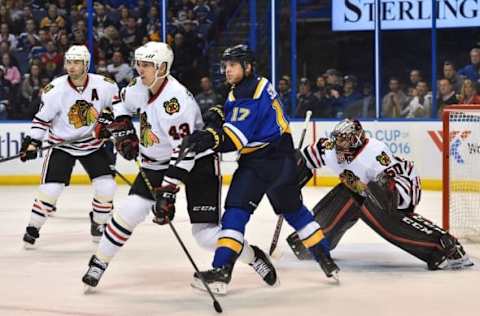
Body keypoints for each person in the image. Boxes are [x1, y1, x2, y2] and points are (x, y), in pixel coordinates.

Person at [81, 42, 277, 291]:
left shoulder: (175, 103)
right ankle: (99, 262)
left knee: (205, 236)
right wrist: (121, 125)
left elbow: (183, 153)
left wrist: (167, 192)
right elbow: (120, 100)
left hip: (197, 161)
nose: (141, 69)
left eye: (147, 65)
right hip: (156, 163)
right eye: (139, 64)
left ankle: (253, 256)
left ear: (162, 68)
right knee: (129, 212)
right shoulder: (140, 86)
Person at [180, 44, 339, 295]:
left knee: (235, 214)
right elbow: (236, 107)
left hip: (259, 163)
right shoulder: (256, 85)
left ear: (248, 66)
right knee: (295, 211)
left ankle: (221, 271)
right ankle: (326, 260)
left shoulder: (249, 93)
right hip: (284, 160)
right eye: (226, 65)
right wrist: (221, 111)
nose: (227, 70)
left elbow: (234, 141)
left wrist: (208, 137)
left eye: (233, 65)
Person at [287, 119, 473, 270]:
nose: (339, 146)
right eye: (338, 141)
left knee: (374, 204)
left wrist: (377, 194)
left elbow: (387, 191)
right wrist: (291, 172)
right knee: (350, 193)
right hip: (365, 188)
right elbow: (305, 158)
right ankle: (316, 240)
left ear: (357, 140)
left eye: (345, 141)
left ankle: (442, 246)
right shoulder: (329, 148)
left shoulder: (376, 154)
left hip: (404, 187)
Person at [19, 45, 120, 248]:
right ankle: (33, 227)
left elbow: (118, 110)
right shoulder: (55, 89)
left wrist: (111, 123)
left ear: (86, 64)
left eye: (76, 62)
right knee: (51, 189)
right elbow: (41, 120)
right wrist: (33, 141)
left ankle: (99, 223)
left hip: (93, 144)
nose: (71, 67)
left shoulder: (105, 85)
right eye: (69, 62)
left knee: (106, 186)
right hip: (62, 145)